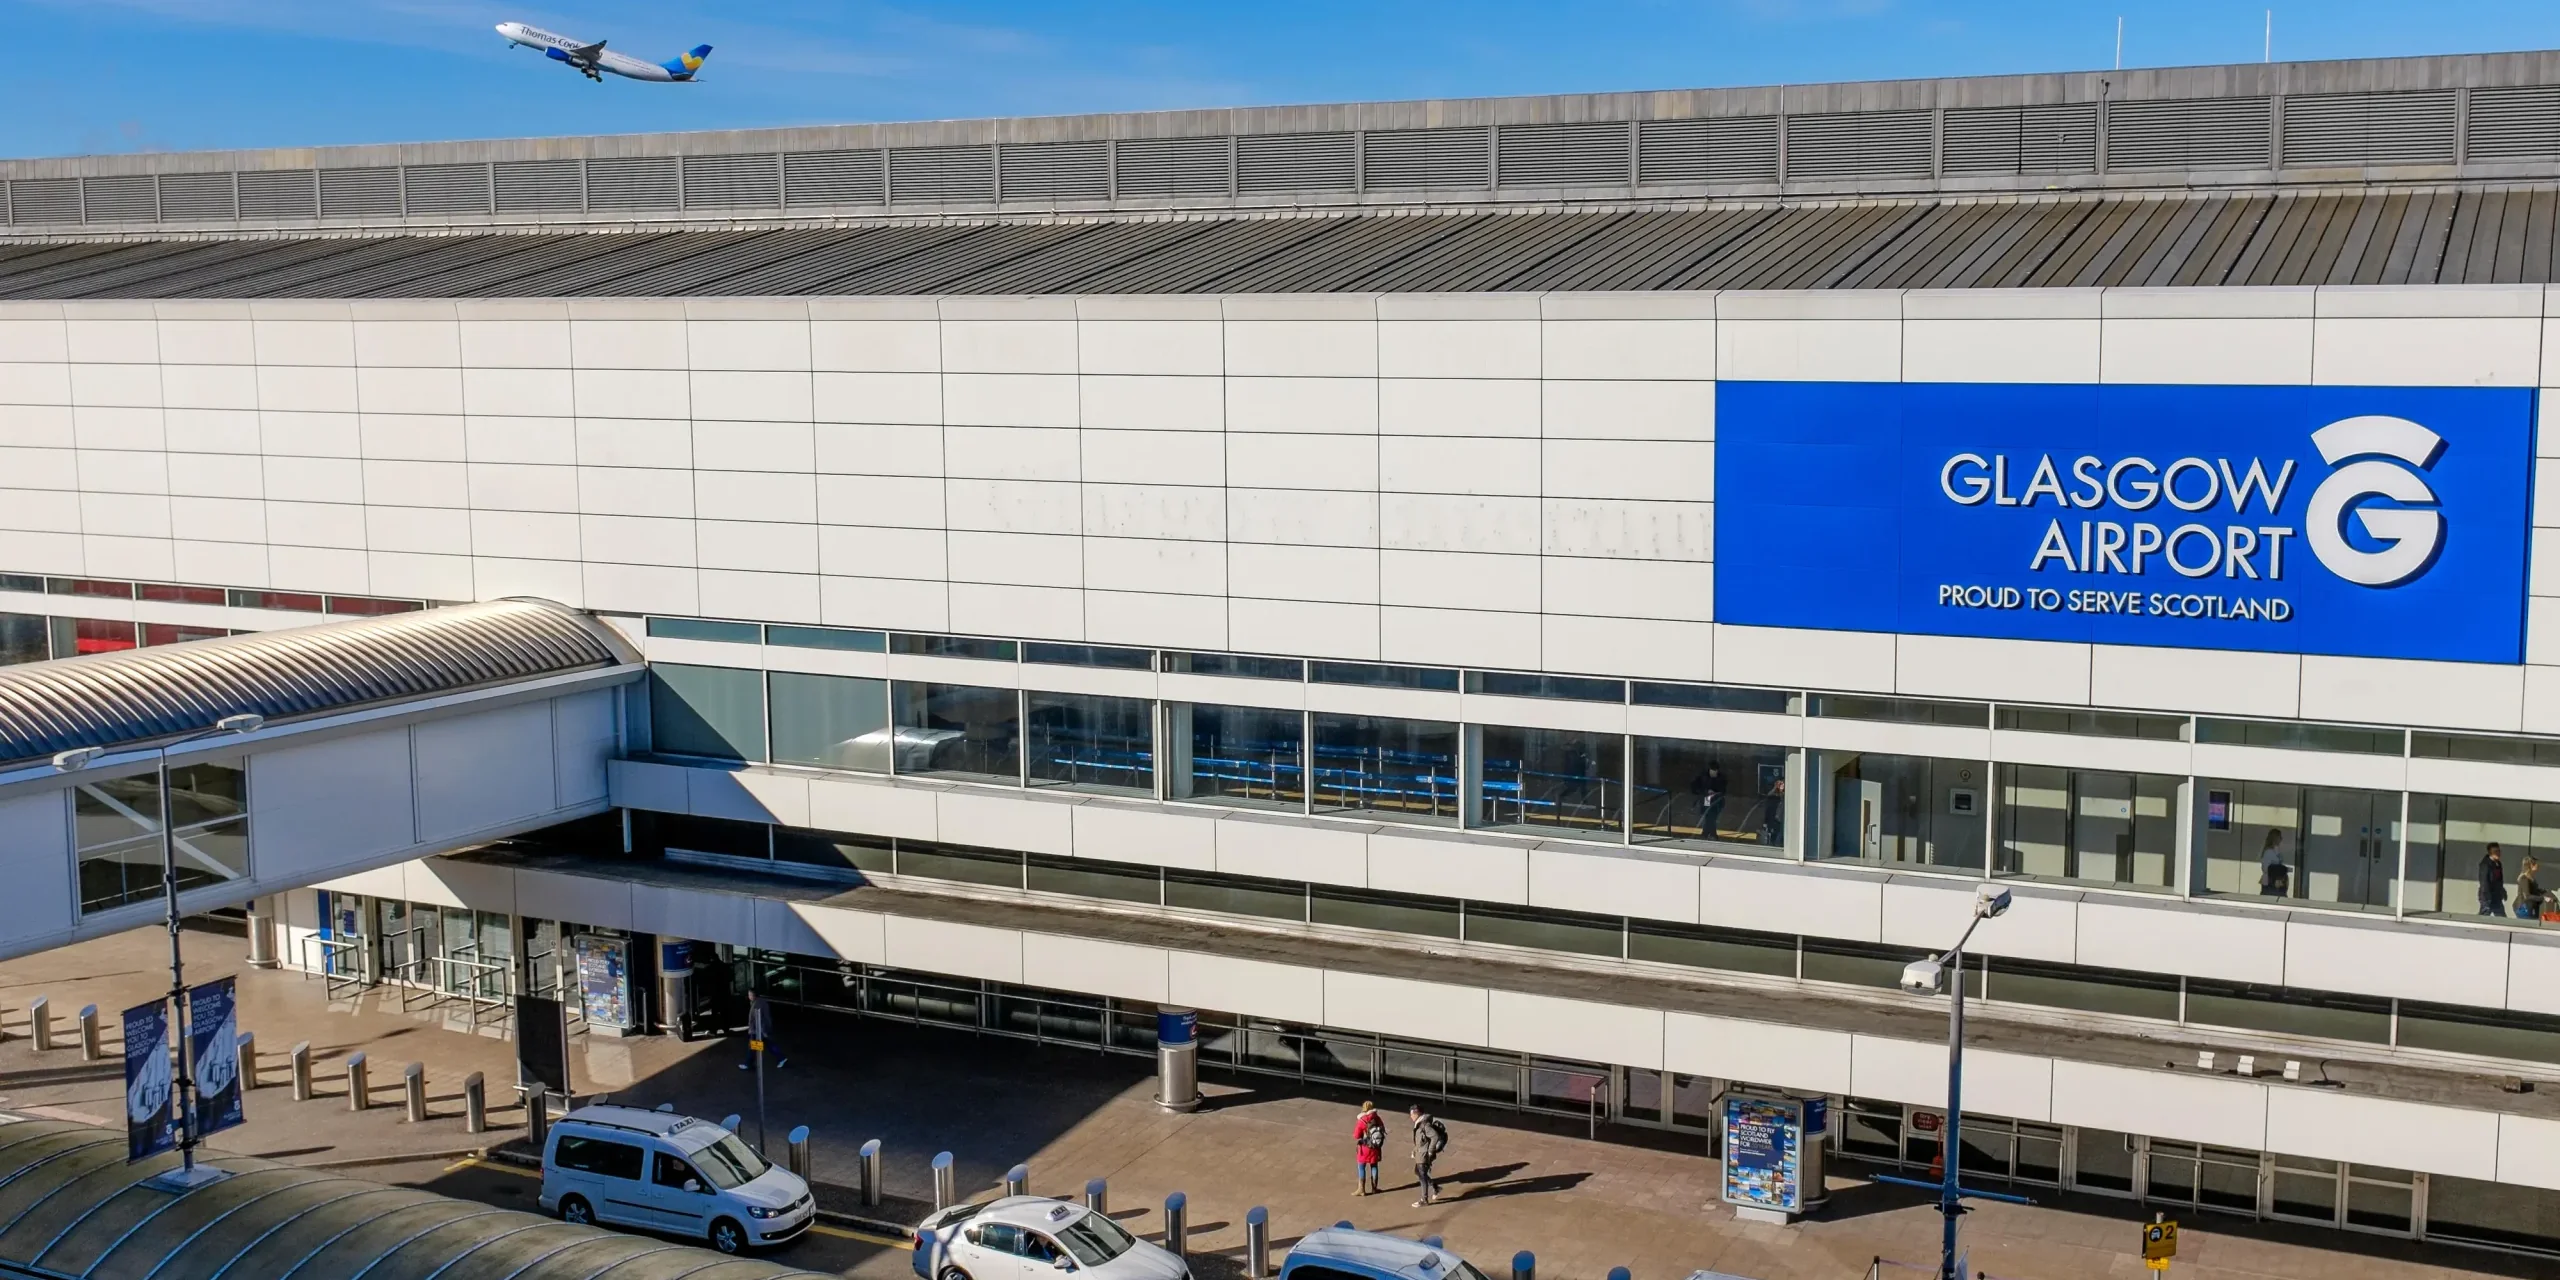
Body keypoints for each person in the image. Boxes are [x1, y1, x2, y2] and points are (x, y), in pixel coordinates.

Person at [1408, 1104, 1447, 1207]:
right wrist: (1414, 1150)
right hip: (1420, 1153)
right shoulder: (1419, 1123)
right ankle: (1435, 1187)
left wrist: (1430, 1151)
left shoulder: (1425, 1125)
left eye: (1412, 1114)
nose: (1410, 1116)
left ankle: (1424, 1199)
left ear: (1418, 1114)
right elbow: (1419, 1140)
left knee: (1422, 1176)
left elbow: (1434, 1136)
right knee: (1418, 1172)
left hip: (1424, 1154)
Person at [1352, 1101, 1385, 1195]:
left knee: (1361, 1167)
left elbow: (1356, 1135)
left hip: (1364, 1148)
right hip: (1375, 1147)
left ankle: (1361, 1189)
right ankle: (1374, 1188)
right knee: (1374, 1166)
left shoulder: (1362, 1120)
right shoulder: (1377, 1118)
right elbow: (1383, 1129)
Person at [1691, 761, 1728, 840]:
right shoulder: (1703, 776)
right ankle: (1710, 833)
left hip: (1716, 800)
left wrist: (1716, 793)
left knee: (1711, 816)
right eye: (1713, 771)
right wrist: (1706, 792)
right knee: (1709, 816)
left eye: (1715, 771)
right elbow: (1695, 787)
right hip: (1706, 798)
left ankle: (1708, 833)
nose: (1714, 773)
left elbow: (1723, 790)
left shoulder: (1721, 778)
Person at [2257, 829, 2291, 898]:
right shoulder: (2268, 852)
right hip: (2270, 881)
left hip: (2278, 881)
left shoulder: (2276, 850)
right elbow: (2266, 868)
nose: (2281, 839)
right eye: (2279, 837)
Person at [2516, 856, 2549, 921]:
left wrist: (2543, 891)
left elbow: (2533, 890)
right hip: (2525, 909)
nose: (2537, 865)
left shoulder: (2531, 878)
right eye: (2535, 864)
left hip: (2531, 907)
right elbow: (2527, 896)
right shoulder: (2524, 878)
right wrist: (2542, 898)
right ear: (2530, 865)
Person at [2481, 843, 2509, 917]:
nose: (2498, 853)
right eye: (2495, 851)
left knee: (2502, 917)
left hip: (2497, 896)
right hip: (2488, 897)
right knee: (2483, 916)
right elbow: (2484, 882)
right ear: (2490, 852)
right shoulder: (2485, 865)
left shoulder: (2498, 864)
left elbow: (2499, 880)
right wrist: (2487, 898)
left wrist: (2502, 891)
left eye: (2499, 851)